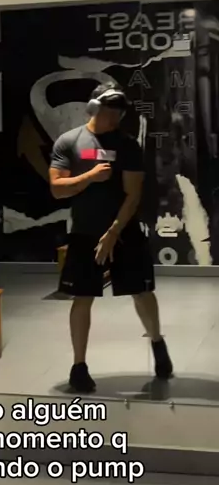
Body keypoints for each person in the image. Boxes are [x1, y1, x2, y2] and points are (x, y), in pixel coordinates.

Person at [49, 81, 173, 393]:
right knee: (82, 297)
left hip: (124, 230)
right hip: (84, 232)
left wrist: (113, 232)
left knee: (141, 292)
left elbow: (133, 194)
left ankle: (157, 342)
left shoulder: (128, 145)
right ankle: (79, 366)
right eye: (109, 111)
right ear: (93, 108)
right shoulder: (69, 142)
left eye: (119, 112)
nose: (115, 117)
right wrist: (90, 177)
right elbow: (57, 189)